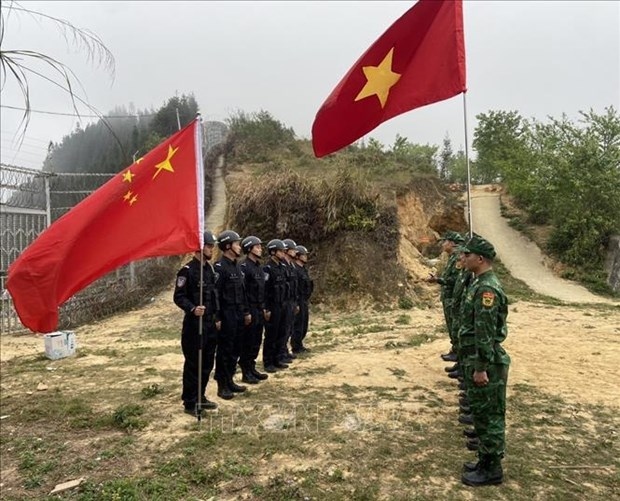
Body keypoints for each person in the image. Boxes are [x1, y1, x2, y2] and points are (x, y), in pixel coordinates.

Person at [458, 235, 510, 486]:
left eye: (467, 255)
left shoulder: (487, 289)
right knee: (480, 412)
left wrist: (480, 368)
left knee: (489, 415)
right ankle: (485, 460)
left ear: (480, 259)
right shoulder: (479, 283)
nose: (463, 258)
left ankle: (492, 469)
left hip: (484, 363)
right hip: (476, 359)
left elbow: (485, 332)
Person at [173, 230, 220, 415]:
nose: (211, 249)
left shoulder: (209, 270)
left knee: (207, 362)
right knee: (194, 364)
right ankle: (190, 402)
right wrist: (192, 308)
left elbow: (214, 298)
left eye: (212, 246)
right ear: (200, 248)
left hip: (209, 324)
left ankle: (201, 396)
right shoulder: (187, 271)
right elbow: (179, 297)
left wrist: (217, 318)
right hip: (194, 326)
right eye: (209, 246)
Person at [213, 230, 252, 400]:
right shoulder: (219, 268)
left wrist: (245, 312)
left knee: (236, 348)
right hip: (226, 314)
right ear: (228, 246)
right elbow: (216, 295)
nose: (239, 246)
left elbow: (243, 293)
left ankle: (230, 380)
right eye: (236, 243)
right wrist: (217, 317)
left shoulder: (237, 265)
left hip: (238, 313)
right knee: (225, 350)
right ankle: (222, 385)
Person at [426, 230, 466, 362]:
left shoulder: (458, 258)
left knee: (456, 326)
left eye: (445, 241)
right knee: (452, 326)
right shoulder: (453, 257)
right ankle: (456, 353)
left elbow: (455, 280)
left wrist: (439, 280)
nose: (443, 244)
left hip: (454, 298)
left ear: (452, 243)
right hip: (450, 297)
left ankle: (459, 354)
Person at [239, 236, 269, 384]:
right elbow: (242, 292)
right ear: (249, 249)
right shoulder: (244, 267)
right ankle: (245, 371)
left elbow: (262, 291)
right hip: (250, 309)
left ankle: (252, 368)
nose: (260, 249)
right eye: (257, 247)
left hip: (259, 309)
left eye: (260, 246)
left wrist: (263, 307)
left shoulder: (259, 266)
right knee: (248, 341)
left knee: (257, 340)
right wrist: (246, 312)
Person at [262, 239, 289, 373]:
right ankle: (268, 362)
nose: (283, 253)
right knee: (271, 335)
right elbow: (265, 290)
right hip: (272, 306)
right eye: (280, 251)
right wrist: (266, 308)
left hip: (282, 304)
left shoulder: (282, 267)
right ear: (273, 252)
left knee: (281, 332)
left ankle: (277, 358)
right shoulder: (267, 268)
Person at [280, 238, 300, 363]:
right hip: (285, 301)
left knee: (290, 327)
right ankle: (281, 353)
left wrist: (296, 302)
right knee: (283, 328)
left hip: (292, 300)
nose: (295, 252)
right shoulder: (282, 265)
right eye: (292, 250)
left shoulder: (291, 266)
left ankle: (285, 351)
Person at [291, 245, 313, 354]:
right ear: (298, 256)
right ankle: (296, 346)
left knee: (304, 324)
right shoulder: (295, 269)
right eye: (304, 255)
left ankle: (300, 344)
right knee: (298, 324)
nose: (306, 257)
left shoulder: (303, 269)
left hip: (304, 300)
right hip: (298, 300)